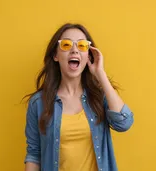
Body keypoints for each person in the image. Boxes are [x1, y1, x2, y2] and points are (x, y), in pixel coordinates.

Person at [24, 23, 134, 171]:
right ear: (56, 55)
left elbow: (124, 123)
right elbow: (34, 154)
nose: (74, 50)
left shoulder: (98, 96)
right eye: (67, 44)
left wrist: (100, 73)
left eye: (82, 45)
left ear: (88, 55)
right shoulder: (38, 103)